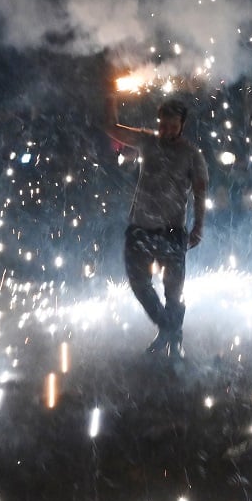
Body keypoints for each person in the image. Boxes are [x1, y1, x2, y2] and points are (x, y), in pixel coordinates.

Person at [105, 84, 209, 359]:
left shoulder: (192, 154)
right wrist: (111, 96)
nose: (166, 130)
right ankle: (168, 327)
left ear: (182, 125)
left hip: (172, 231)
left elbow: (200, 192)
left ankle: (174, 338)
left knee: (173, 291)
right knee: (139, 282)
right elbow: (112, 127)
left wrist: (198, 225)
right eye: (163, 124)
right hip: (140, 228)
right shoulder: (147, 140)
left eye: (172, 125)